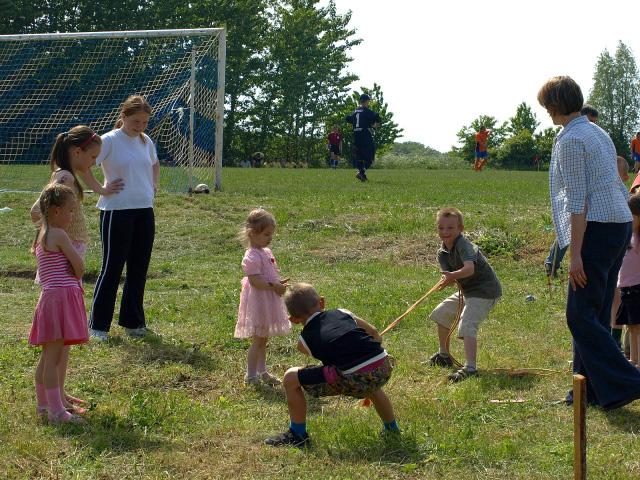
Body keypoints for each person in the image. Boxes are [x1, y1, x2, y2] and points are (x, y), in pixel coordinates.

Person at [538, 75, 640, 409]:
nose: (547, 114)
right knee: (592, 314)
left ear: (555, 106)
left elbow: (578, 200)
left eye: (547, 107)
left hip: (597, 227)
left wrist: (575, 255)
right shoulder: (596, 131)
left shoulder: (570, 140)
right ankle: (586, 391)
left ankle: (628, 382)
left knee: (580, 316)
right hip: (618, 223)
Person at [29, 126, 123, 410]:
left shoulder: (71, 174)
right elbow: (37, 211)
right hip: (62, 267)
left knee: (62, 343)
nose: (94, 163)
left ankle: (59, 394)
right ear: (76, 152)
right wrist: (56, 240)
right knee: (57, 343)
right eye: (92, 157)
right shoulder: (65, 176)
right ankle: (52, 400)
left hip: (66, 263)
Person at [265, 283, 398, 448]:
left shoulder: (303, 342)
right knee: (367, 374)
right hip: (383, 368)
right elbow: (374, 333)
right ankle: (392, 429)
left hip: (353, 380)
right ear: (321, 302)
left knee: (291, 377)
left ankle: (297, 434)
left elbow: (330, 358)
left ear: (294, 320)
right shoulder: (343, 313)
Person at [85, 95, 159, 341]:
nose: (140, 126)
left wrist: (153, 185)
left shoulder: (146, 141)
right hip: (116, 211)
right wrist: (100, 189)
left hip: (144, 210)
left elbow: (154, 164)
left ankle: (133, 322)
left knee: (138, 269)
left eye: (145, 122)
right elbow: (83, 163)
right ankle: (98, 326)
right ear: (124, 116)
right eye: (136, 121)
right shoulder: (109, 140)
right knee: (112, 268)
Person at [30, 183, 88, 424]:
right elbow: (79, 268)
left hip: (50, 299)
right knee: (53, 359)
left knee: (47, 356)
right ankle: (56, 412)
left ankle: (44, 405)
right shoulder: (60, 235)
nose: (72, 215)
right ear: (55, 211)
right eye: (70, 210)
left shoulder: (43, 234)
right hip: (60, 299)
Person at [428, 207, 502, 381]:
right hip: (467, 291)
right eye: (441, 228)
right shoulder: (442, 252)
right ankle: (444, 356)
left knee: (467, 324)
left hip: (485, 291)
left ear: (460, 229)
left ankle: (470, 368)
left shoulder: (464, 245)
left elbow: (469, 269)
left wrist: (452, 276)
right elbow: (450, 277)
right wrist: (446, 280)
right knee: (441, 313)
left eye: (450, 228)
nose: (445, 232)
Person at [543, 112, 608, 278]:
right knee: (569, 230)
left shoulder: (596, 139)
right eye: (591, 120)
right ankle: (552, 261)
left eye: (595, 121)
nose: (593, 124)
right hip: (578, 200)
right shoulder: (572, 139)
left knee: (579, 233)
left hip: (594, 204)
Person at [235, 208, 290, 385]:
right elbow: (255, 281)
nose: (270, 238)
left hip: (267, 298)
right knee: (258, 340)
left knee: (263, 338)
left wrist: (277, 281)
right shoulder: (251, 255)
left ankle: (262, 370)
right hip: (259, 301)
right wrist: (274, 286)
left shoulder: (266, 252)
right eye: (266, 234)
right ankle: (251, 375)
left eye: (271, 234)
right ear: (252, 233)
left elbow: (266, 275)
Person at [616, 194, 640, 368]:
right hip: (626, 289)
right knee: (631, 326)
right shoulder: (627, 237)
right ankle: (633, 358)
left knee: (638, 327)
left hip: (637, 289)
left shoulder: (638, 239)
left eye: (631, 216)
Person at [346, 94, 380, 182]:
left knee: (359, 156)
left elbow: (348, 118)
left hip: (356, 135)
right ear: (365, 101)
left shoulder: (355, 111)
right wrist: (374, 125)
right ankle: (361, 172)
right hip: (364, 134)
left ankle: (362, 175)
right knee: (370, 155)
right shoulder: (366, 111)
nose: (368, 103)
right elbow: (377, 117)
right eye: (368, 101)